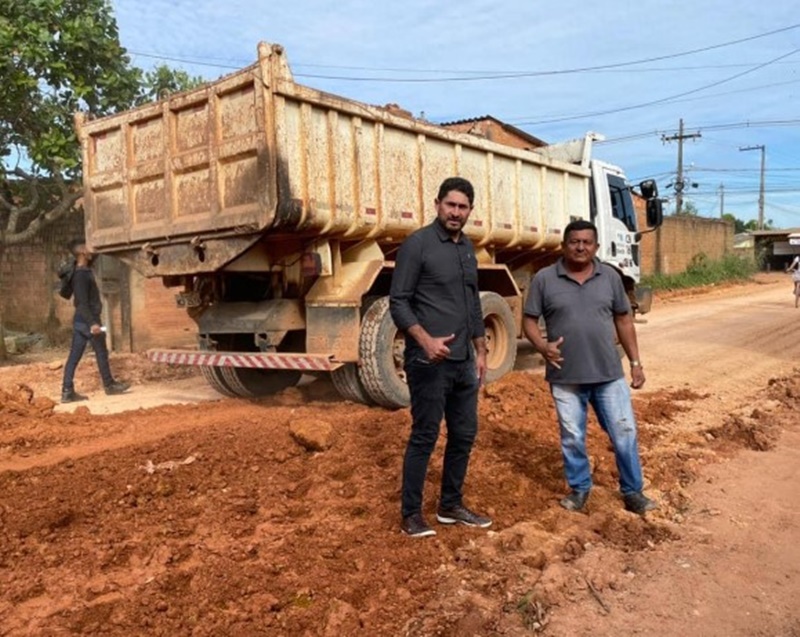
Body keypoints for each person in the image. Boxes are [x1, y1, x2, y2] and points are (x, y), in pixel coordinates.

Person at [522, 219, 657, 515]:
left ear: (596, 246)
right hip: (565, 376)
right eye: (575, 241)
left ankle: (633, 492)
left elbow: (624, 319)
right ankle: (580, 489)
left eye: (587, 242)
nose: (580, 247)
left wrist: (635, 363)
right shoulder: (545, 279)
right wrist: (542, 347)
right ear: (564, 246)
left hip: (608, 374)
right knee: (572, 437)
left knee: (624, 432)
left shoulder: (609, 277)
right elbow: (529, 320)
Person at [390, 177, 491, 537]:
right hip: (429, 362)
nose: (455, 212)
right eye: (450, 205)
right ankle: (411, 514)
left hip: (464, 361)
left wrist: (480, 351)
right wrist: (425, 340)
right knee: (425, 435)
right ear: (437, 204)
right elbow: (398, 301)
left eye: (462, 207)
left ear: (470, 212)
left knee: (464, 434)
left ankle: (450, 505)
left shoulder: (467, 249)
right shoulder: (418, 245)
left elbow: (472, 304)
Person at [61, 239, 129, 403]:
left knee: (74, 356)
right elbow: (81, 303)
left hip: (81, 321)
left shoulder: (84, 270)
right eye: (88, 247)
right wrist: (93, 323)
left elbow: (96, 253)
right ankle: (109, 385)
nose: (91, 249)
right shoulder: (81, 275)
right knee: (101, 352)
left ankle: (67, 391)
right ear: (83, 252)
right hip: (87, 320)